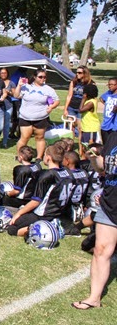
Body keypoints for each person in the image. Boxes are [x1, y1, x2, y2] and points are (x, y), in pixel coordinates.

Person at [72, 130, 117, 310]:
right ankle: (94, 298)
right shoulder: (113, 137)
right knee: (101, 249)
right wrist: (93, 159)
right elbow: (103, 168)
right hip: (110, 202)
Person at [6, 143, 73, 237]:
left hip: (44, 214)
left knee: (12, 229)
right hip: (59, 212)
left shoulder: (47, 175)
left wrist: (18, 214)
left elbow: (35, 202)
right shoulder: (67, 172)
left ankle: (47, 227)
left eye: (44, 154)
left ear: (48, 158)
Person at [13, 68, 60, 160]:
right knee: (24, 138)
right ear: (34, 77)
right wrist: (19, 85)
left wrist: (51, 107)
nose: (43, 79)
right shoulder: (26, 87)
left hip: (41, 118)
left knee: (40, 138)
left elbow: (57, 100)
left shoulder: (48, 89)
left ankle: (39, 157)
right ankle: (20, 156)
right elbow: (16, 95)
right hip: (25, 117)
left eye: (44, 77)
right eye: (40, 77)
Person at [2, 146, 42, 212]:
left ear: (21, 157)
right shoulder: (37, 166)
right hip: (34, 197)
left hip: (22, 200)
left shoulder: (21, 170)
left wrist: (7, 193)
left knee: (0, 196)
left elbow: (16, 191)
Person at [64, 65, 94, 133]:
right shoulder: (74, 82)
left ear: (85, 73)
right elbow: (69, 96)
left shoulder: (90, 83)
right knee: (70, 127)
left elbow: (92, 98)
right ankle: (71, 139)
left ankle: (80, 140)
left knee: (80, 128)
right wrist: (65, 109)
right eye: (77, 72)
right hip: (71, 107)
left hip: (81, 109)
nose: (77, 74)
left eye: (80, 73)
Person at [79, 83, 101, 156]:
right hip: (86, 127)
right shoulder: (90, 100)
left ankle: (91, 161)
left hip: (91, 128)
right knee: (85, 146)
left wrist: (83, 99)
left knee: (90, 147)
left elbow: (80, 110)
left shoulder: (91, 102)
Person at [0, 68, 16, 148]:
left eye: (5, 73)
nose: (3, 74)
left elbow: (15, 94)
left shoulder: (11, 83)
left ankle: (5, 142)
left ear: (7, 74)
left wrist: (8, 92)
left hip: (8, 106)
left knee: (6, 124)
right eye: (2, 73)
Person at [99, 77, 117, 143]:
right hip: (105, 124)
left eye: (112, 84)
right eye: (109, 84)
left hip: (114, 125)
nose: (109, 86)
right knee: (105, 144)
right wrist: (107, 104)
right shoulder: (108, 93)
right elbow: (101, 98)